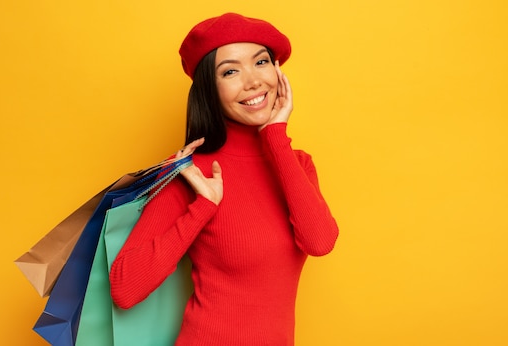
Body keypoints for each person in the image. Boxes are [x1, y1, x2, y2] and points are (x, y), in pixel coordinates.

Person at [109, 12, 339, 345]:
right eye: (230, 71)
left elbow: (319, 243)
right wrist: (203, 207)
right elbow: (125, 288)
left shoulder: (296, 164)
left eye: (261, 62)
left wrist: (275, 135)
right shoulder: (191, 172)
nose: (253, 81)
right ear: (209, 90)